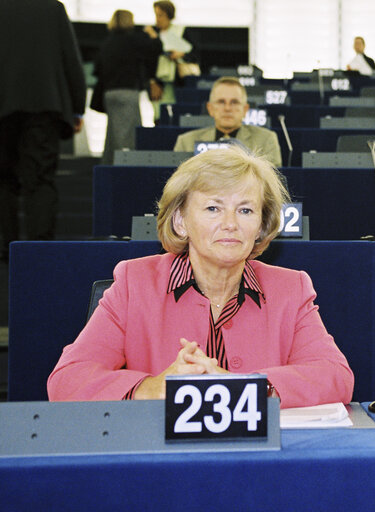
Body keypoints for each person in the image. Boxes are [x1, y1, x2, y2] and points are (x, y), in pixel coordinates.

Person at [48, 145, 354, 406]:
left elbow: (336, 377)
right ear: (181, 221)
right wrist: (156, 387)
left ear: (261, 225)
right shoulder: (134, 283)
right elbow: (66, 382)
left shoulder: (291, 288)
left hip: (259, 461)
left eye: (246, 210)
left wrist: (243, 387)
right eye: (213, 208)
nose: (231, 223)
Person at [0, 0, 86, 260]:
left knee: (3, 179)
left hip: (2, 107)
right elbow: (70, 57)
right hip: (44, 106)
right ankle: (40, 248)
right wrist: (77, 107)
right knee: (41, 180)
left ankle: (6, 246)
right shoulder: (53, 8)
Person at [95, 10, 162, 165]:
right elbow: (155, 48)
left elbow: (98, 69)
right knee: (127, 137)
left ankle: (107, 167)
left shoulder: (106, 43)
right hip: (127, 92)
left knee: (113, 135)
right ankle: (125, 170)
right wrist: (152, 34)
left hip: (109, 94)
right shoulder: (134, 40)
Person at [174, 77, 282, 167]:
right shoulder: (186, 142)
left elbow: (271, 186)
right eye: (221, 102)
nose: (227, 108)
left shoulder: (266, 140)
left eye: (234, 102)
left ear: (245, 110)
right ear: (210, 108)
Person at [150, 1, 196, 120]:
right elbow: (146, 60)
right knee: (158, 116)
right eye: (156, 15)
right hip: (159, 83)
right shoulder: (152, 33)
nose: (158, 19)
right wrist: (151, 82)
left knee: (176, 115)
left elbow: (194, 53)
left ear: (169, 16)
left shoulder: (182, 31)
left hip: (178, 82)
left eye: (160, 15)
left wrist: (181, 55)